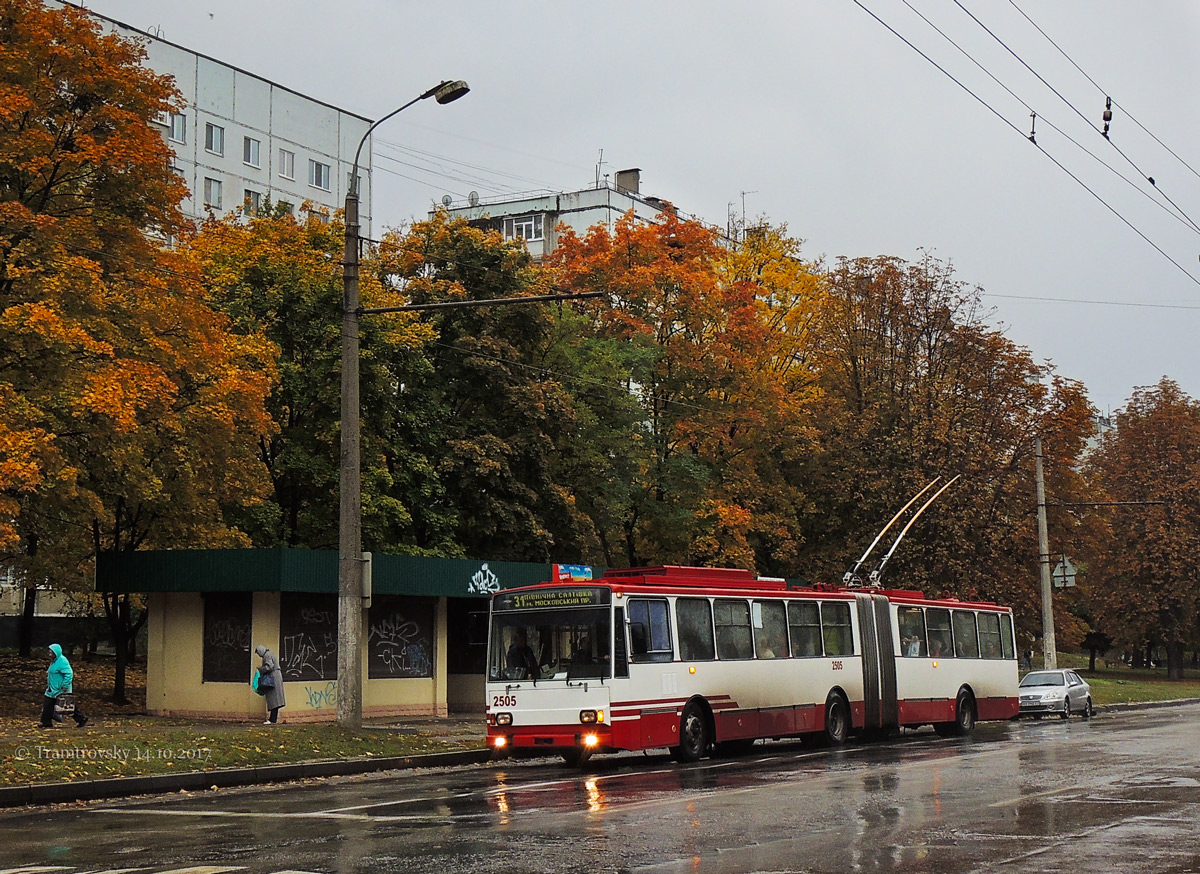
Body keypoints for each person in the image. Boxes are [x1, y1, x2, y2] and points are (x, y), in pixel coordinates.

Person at [41, 643, 87, 729]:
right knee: (48, 704)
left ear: (56, 652)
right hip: (52, 688)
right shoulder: (54, 661)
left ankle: (81, 719)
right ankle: (46, 722)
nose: (49, 654)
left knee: (66, 706)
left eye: (51, 652)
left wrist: (65, 685)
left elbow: (69, 674)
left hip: (61, 688)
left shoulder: (62, 661)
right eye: (49, 652)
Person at [255, 645, 286, 724]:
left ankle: (272, 719)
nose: (259, 655)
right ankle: (273, 718)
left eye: (258, 653)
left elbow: (269, 667)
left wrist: (261, 669)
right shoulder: (269, 654)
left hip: (273, 679)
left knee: (273, 699)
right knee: (275, 700)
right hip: (275, 678)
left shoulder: (267, 655)